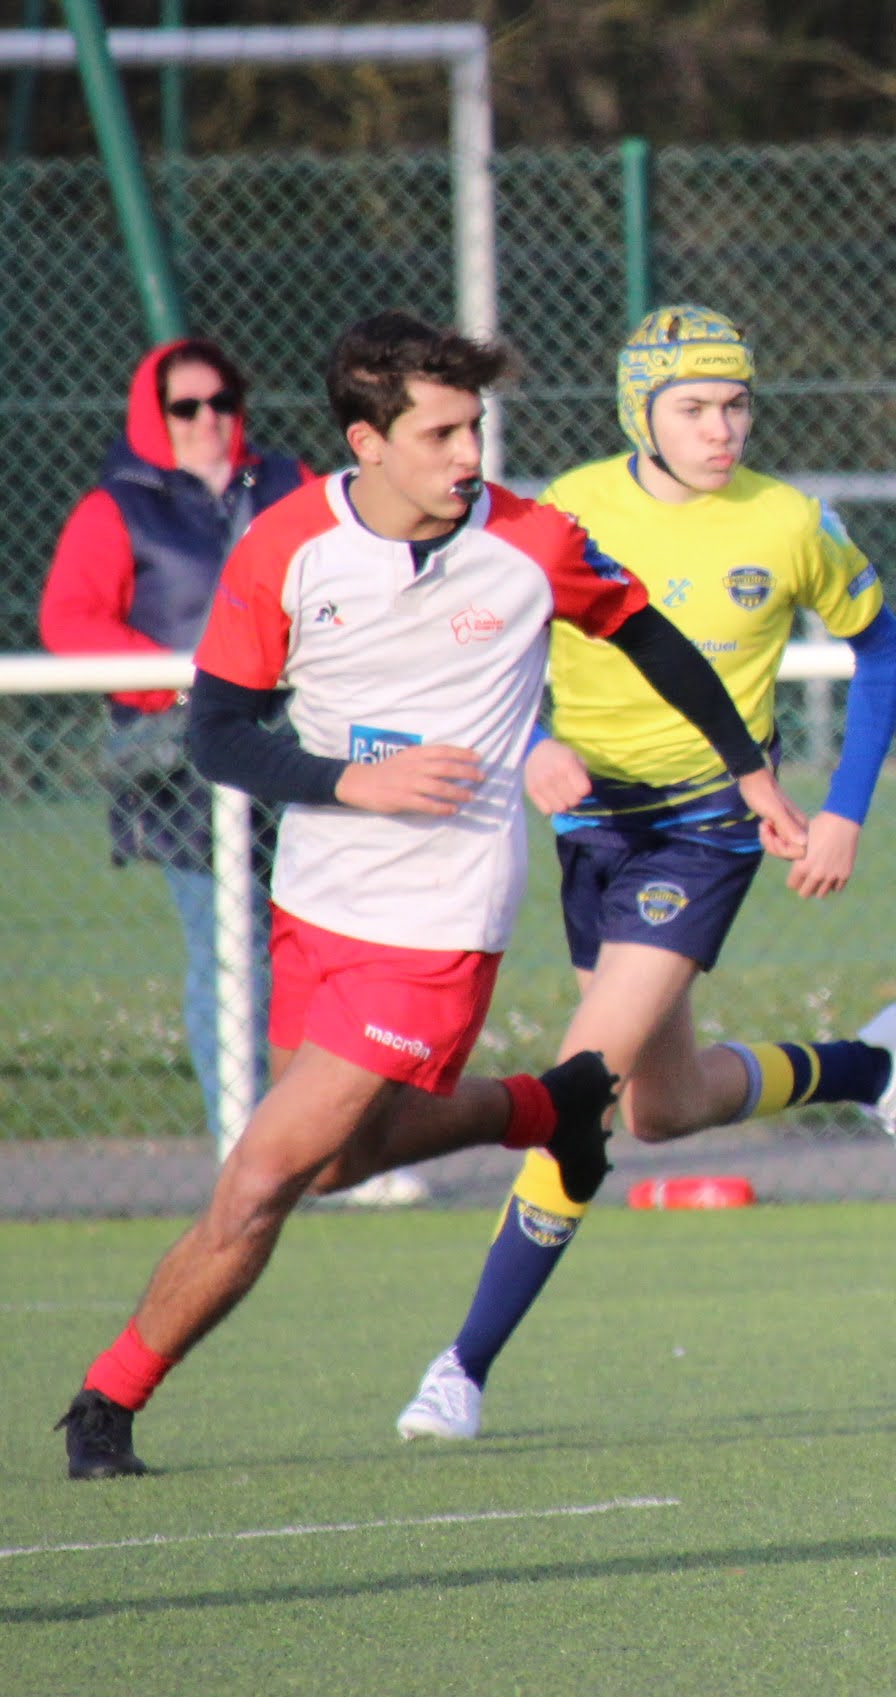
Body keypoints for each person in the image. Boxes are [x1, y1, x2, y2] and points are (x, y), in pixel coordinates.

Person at [53, 311, 809, 1480]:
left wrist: (751, 772)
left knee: (260, 1174)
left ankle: (104, 1401)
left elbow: (655, 639)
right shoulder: (287, 545)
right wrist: (350, 780)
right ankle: (550, 1105)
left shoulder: (531, 542)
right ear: (367, 441)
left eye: (475, 428)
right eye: (442, 433)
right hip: (314, 902)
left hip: (436, 928)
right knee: (335, 1163)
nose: (469, 455)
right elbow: (216, 732)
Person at [393, 304, 896, 1443]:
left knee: (582, 1081)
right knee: (662, 1107)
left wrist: (844, 807)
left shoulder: (789, 520)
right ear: (640, 413)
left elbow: (881, 645)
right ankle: (873, 1064)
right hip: (593, 828)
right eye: (693, 407)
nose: (721, 428)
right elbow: (480, 646)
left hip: (709, 829)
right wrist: (533, 740)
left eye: (736, 404)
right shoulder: (569, 509)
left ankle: (462, 1364)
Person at [39, 339, 310, 1156]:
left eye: (221, 401)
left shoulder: (289, 485)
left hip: (296, 744)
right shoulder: (118, 507)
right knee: (229, 948)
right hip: (184, 764)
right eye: (184, 407)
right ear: (152, 416)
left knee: (320, 950)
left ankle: (330, 1144)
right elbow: (71, 619)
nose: (207, 421)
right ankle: (246, 1143)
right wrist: (181, 684)